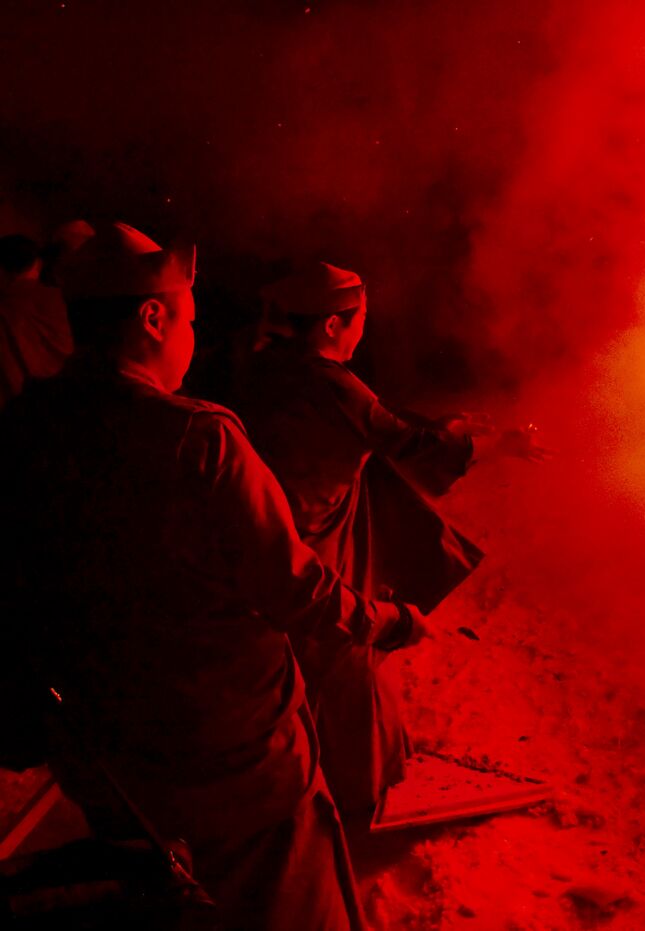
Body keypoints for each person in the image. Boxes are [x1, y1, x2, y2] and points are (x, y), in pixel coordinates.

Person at [0, 223, 428, 929]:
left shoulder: (26, 424)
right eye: (190, 320)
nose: (193, 337)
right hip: (231, 760)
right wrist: (390, 621)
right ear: (153, 317)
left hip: (105, 756)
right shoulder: (200, 439)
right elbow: (296, 590)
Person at [233, 261, 548, 824]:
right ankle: (358, 789)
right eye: (358, 323)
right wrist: (495, 446)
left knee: (300, 654)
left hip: (271, 520)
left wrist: (446, 425)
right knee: (346, 653)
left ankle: (316, 766)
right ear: (332, 325)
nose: (361, 333)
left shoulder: (271, 366)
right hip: (314, 532)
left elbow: (373, 421)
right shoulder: (331, 383)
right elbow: (401, 442)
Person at [0, 232, 74, 406]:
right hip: (67, 400)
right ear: (38, 264)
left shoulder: (6, 306)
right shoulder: (61, 298)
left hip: (20, 411)